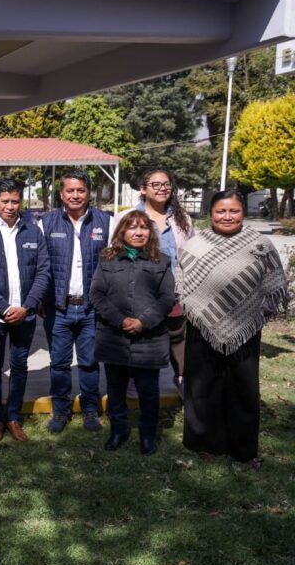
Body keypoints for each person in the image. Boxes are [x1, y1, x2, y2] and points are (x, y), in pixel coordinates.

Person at [177, 189, 287, 467]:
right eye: (221, 211)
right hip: (202, 325)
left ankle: (243, 448)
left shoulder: (259, 245)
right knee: (202, 387)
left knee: (243, 389)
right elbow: (182, 284)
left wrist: (260, 312)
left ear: (242, 213)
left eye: (234, 210)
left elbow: (274, 282)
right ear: (211, 214)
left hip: (245, 326)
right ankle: (204, 442)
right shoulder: (194, 245)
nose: (227, 216)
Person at [90, 210, 174, 455]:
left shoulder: (162, 260)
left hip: (149, 339)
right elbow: (97, 295)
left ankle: (147, 435)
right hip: (114, 337)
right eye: (132, 227)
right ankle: (119, 430)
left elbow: (166, 298)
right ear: (122, 232)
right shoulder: (107, 259)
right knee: (116, 389)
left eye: (144, 228)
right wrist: (120, 320)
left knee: (148, 390)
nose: (138, 232)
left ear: (150, 232)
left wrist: (143, 321)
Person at [0, 178, 50, 443]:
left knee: (20, 366)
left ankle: (13, 417)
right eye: (4, 201)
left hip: (25, 316)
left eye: (14, 201)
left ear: (21, 202)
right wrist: (4, 308)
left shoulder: (32, 231)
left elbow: (43, 271)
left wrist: (27, 306)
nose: (10, 206)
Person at [40, 168, 111, 433]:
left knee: (90, 362)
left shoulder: (105, 222)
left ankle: (90, 410)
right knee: (59, 364)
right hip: (58, 308)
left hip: (92, 308)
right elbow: (39, 266)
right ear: (61, 194)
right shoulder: (45, 223)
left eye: (80, 190)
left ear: (88, 193)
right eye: (70, 190)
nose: (75, 195)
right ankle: (60, 411)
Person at [114, 168, 193, 393]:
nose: (162, 188)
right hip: (139, 290)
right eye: (155, 184)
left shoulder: (182, 218)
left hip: (175, 288)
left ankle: (181, 378)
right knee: (138, 336)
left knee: (177, 336)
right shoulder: (126, 217)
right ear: (143, 189)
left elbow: (191, 253)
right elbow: (115, 251)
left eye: (166, 184)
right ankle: (132, 378)